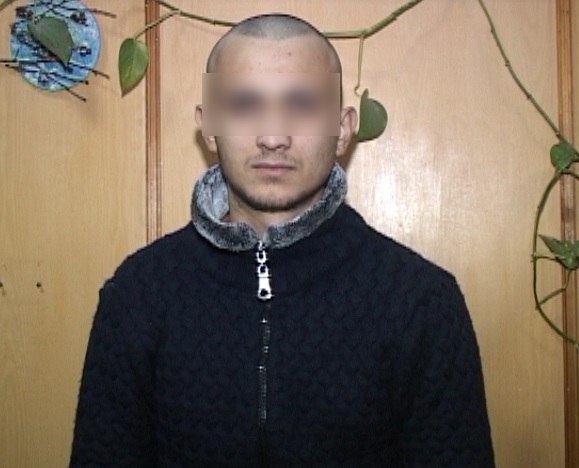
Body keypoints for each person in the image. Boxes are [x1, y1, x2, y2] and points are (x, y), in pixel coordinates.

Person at [70, 13, 494, 467]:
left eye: (301, 104)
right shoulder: (138, 294)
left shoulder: (421, 303)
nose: (273, 137)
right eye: (245, 104)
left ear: (343, 128)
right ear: (208, 125)